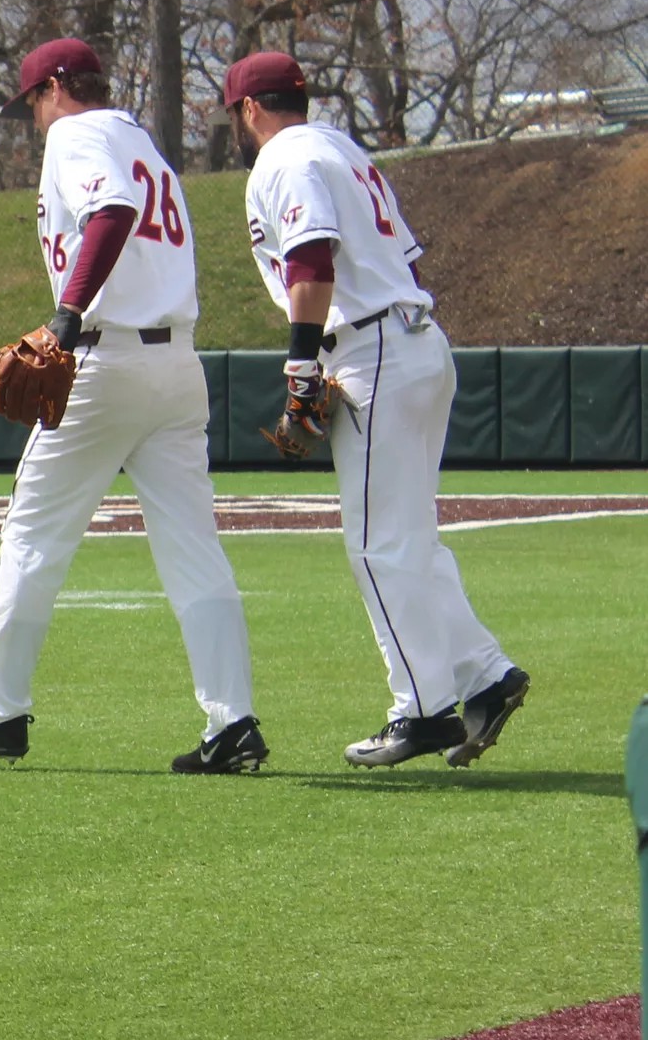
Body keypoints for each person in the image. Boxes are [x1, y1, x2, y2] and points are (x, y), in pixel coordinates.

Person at [0, 38, 262, 773]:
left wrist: (66, 319)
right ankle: (233, 722)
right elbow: (128, 204)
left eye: (35, 99)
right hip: (177, 362)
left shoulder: (77, 132)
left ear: (62, 86)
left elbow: (111, 210)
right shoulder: (143, 141)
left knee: (32, 533)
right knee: (194, 547)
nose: (35, 117)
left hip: (107, 358)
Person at [223, 50, 527, 768]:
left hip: (373, 348)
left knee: (376, 546)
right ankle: (486, 674)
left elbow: (312, 257)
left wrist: (302, 361)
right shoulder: (339, 147)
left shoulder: (286, 157)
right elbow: (405, 262)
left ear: (249, 109)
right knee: (410, 540)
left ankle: (420, 710)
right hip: (414, 339)